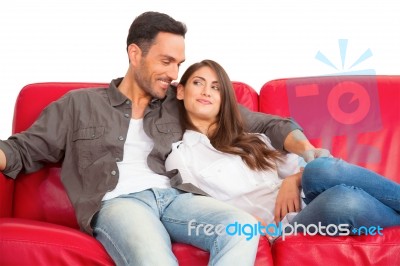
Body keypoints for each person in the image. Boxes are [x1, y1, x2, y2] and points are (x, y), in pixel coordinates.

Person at [0, 12, 330, 265]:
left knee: (241, 230)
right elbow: (22, 150)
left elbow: (270, 122)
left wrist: (307, 151)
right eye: (166, 61)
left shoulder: (181, 100)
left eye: (179, 64)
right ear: (135, 54)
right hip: (120, 202)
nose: (174, 74)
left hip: (177, 198)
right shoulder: (78, 104)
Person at [165, 59, 400, 240]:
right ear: (181, 91)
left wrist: (294, 180)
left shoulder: (250, 138)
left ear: (224, 99)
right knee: (344, 201)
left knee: (318, 168)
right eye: (198, 83)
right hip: (283, 225)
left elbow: (320, 165)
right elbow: (192, 209)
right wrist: (245, 224)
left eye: (216, 87)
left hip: (307, 194)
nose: (207, 91)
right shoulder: (181, 157)